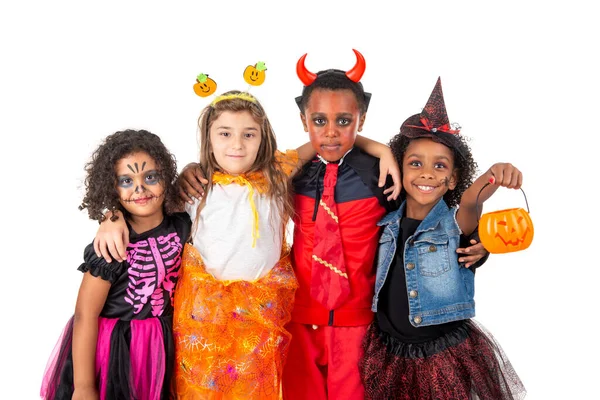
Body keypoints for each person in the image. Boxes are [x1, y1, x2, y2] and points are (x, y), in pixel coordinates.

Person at [359, 78, 527, 399]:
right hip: (387, 352)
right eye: (415, 163)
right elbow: (350, 142)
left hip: (441, 357)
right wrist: (375, 147)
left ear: (452, 179)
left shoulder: (454, 226)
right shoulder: (385, 222)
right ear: (400, 169)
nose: (427, 173)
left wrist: (494, 172)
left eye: (440, 166)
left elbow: (471, 202)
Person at [40, 129, 191, 400]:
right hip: (116, 351)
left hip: (164, 346)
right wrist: (84, 386)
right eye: (126, 180)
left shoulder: (182, 225)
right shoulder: (111, 245)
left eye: (150, 177)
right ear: (112, 187)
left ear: (166, 178)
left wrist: (192, 168)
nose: (140, 188)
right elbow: (85, 314)